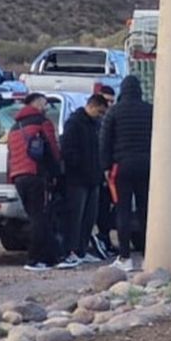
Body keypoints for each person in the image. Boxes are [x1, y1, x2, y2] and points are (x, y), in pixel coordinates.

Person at [99, 76, 153, 272]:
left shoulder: (114, 112)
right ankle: (149, 255)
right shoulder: (150, 110)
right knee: (145, 210)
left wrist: (105, 166)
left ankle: (125, 257)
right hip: (147, 165)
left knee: (122, 210)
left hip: (121, 167)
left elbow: (104, 141)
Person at [7, 93, 63, 272]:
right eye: (45, 104)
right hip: (35, 174)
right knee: (40, 218)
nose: (46, 107)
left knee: (34, 216)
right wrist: (57, 173)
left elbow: (11, 155)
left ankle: (50, 257)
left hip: (18, 176)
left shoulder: (15, 127)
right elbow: (53, 149)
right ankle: (35, 259)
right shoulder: (42, 122)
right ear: (37, 103)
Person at [60, 94, 109, 265]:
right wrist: (80, 166)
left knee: (89, 218)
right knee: (75, 218)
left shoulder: (95, 124)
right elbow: (67, 150)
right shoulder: (74, 124)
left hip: (93, 179)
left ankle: (82, 249)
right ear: (92, 106)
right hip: (77, 180)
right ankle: (71, 251)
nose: (101, 116)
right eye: (100, 112)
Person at [90, 85, 118, 259]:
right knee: (97, 211)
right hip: (96, 172)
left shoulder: (111, 119)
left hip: (108, 173)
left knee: (106, 211)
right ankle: (100, 240)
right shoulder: (93, 121)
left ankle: (105, 239)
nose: (108, 105)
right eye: (106, 101)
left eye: (111, 102)